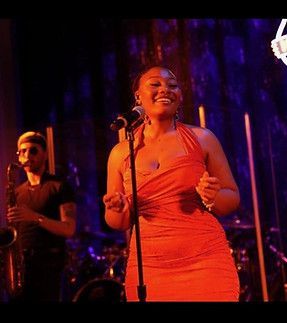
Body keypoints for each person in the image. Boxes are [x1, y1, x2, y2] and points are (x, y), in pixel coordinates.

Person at [103, 65, 240, 302]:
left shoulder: (202, 139)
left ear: (180, 95)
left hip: (206, 263)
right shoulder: (120, 152)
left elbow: (232, 199)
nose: (165, 89)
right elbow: (117, 222)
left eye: (173, 85)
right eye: (155, 84)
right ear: (138, 96)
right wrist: (118, 209)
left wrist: (213, 196)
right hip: (150, 269)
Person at [6, 131, 76, 302]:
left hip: (49, 265)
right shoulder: (17, 192)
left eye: (33, 151)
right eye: (22, 151)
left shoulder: (59, 186)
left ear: (45, 154)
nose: (27, 155)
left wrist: (35, 217)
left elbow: (69, 229)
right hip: (22, 266)